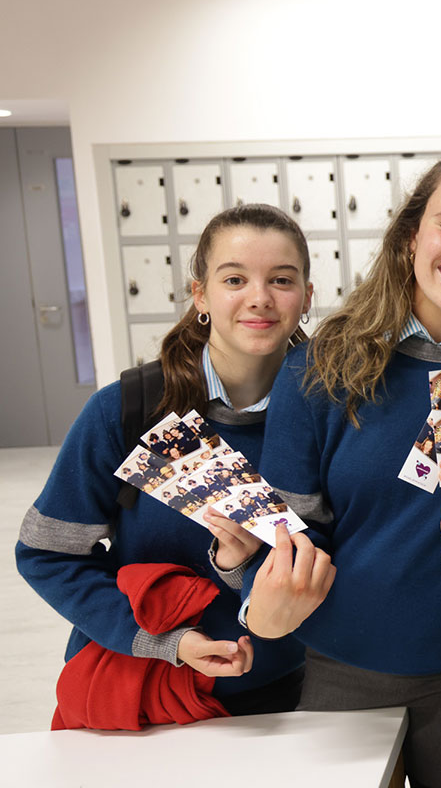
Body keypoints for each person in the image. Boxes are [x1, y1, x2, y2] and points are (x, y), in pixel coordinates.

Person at [243, 151, 441, 788]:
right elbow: (287, 537)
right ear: (412, 235)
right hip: (343, 666)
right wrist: (250, 580)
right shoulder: (319, 368)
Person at [17, 203, 315, 719]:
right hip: (141, 697)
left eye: (281, 280)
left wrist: (243, 569)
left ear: (307, 297)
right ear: (200, 294)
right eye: (234, 279)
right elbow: (47, 554)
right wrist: (166, 642)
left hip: (282, 697)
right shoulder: (128, 409)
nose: (259, 298)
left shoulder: (328, 413)